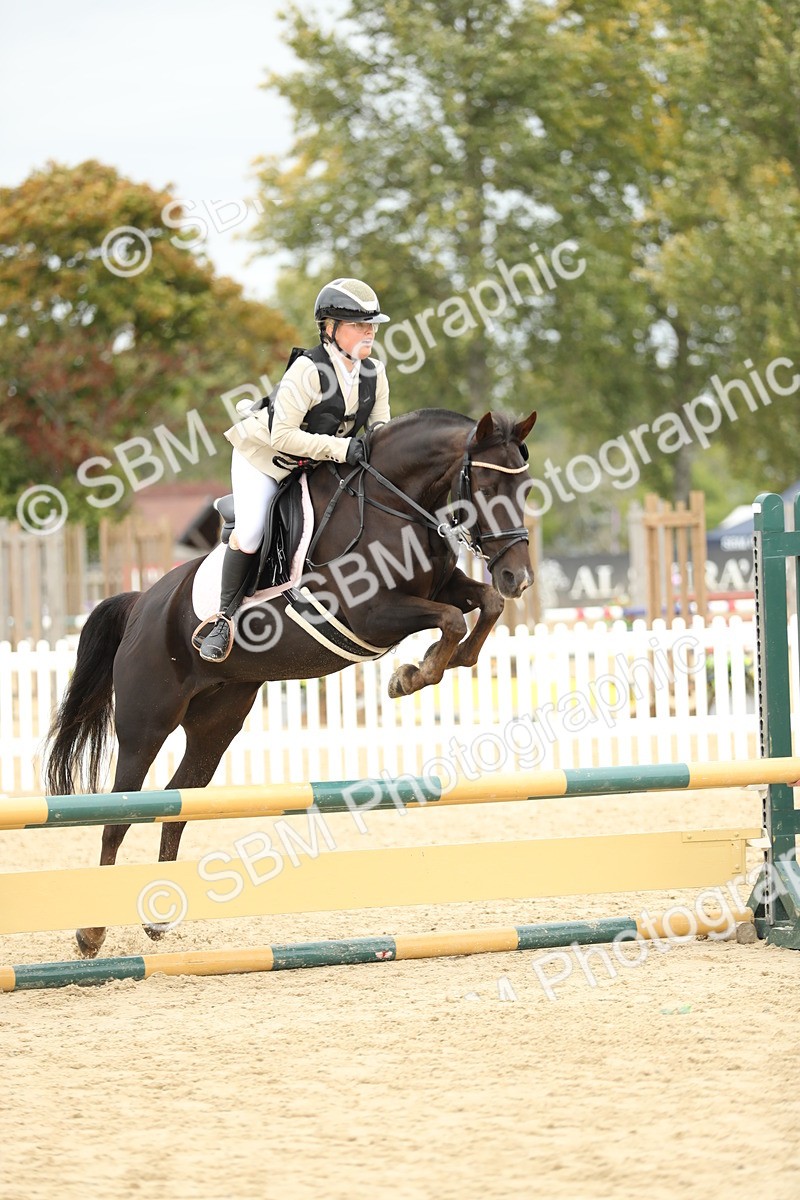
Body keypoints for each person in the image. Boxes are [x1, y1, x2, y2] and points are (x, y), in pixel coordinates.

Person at [197, 277, 391, 661]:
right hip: (265, 460)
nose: (369, 332)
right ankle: (222, 619)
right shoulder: (307, 370)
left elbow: (380, 431)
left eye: (372, 324)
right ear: (330, 328)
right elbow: (282, 435)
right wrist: (342, 449)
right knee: (251, 533)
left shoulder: (375, 373)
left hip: (315, 464)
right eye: (359, 325)